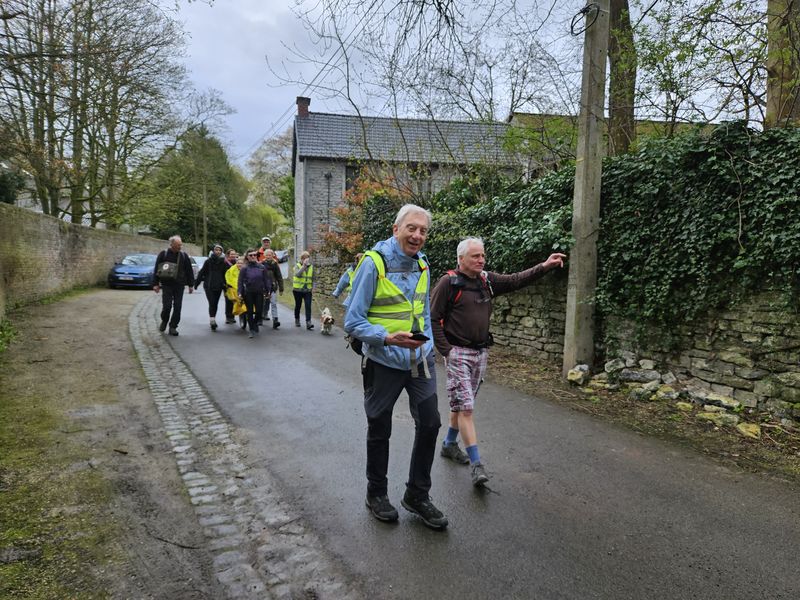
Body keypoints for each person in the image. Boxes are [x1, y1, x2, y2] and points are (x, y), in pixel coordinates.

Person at [430, 237, 567, 487]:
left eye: (482, 255)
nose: (481, 260)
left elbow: (515, 280)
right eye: (475, 256)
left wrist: (544, 266)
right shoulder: (448, 283)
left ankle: (449, 444)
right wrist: (447, 351)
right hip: (458, 353)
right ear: (461, 259)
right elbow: (433, 318)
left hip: (481, 352)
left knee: (462, 403)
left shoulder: (486, 280)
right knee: (467, 408)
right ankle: (477, 465)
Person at [344, 204, 447, 530]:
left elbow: (422, 314)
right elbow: (352, 321)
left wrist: (428, 346)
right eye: (411, 228)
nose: (417, 235)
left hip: (419, 360)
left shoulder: (422, 263)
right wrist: (388, 338)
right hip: (384, 359)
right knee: (380, 426)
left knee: (430, 423)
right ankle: (376, 494)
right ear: (396, 229)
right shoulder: (373, 264)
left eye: (423, 230)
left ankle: (417, 495)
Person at [153, 235, 194, 336]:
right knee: (167, 306)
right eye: (178, 245)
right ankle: (164, 320)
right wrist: (155, 284)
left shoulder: (184, 256)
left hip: (179, 285)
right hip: (166, 285)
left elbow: (189, 271)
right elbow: (156, 269)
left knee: (177, 307)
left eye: (181, 245)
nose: (180, 246)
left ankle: (173, 327)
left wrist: (191, 285)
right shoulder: (163, 254)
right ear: (172, 244)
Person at [237, 249, 272, 339]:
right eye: (251, 255)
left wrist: (268, 290)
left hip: (259, 292)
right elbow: (240, 281)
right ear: (247, 257)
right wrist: (240, 292)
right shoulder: (244, 268)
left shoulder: (261, 267)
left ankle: (255, 323)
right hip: (248, 292)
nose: (253, 256)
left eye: (254, 255)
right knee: (249, 311)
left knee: (259, 311)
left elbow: (266, 280)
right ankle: (251, 329)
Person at [194, 243, 229, 331]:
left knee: (215, 303)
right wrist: (196, 283)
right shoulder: (208, 261)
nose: (218, 251)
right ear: (213, 251)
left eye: (219, 250)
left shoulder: (223, 262)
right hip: (208, 285)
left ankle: (212, 319)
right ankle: (212, 320)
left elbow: (226, 274)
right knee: (212, 302)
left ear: (221, 252)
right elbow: (202, 272)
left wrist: (226, 285)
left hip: (219, 286)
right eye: (216, 250)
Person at [260, 249, 284, 329]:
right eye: (266, 255)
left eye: (269, 255)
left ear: (272, 255)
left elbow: (279, 276)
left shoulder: (275, 264)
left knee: (273, 303)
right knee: (264, 303)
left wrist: (281, 288)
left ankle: (275, 320)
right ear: (264, 256)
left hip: (272, 287)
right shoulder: (261, 264)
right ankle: (261, 317)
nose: (268, 256)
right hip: (263, 287)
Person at [292, 250, 314, 330]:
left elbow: (314, 278)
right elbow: (297, 274)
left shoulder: (311, 267)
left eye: (307, 258)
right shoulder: (297, 265)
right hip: (297, 290)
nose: (306, 260)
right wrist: (304, 266)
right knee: (298, 305)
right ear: (301, 259)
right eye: (304, 258)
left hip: (307, 290)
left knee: (308, 306)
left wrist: (313, 287)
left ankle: (308, 322)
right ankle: (297, 319)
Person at [223, 249, 238, 324]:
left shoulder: (237, 263)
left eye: (234, 254)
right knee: (228, 300)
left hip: (235, 284)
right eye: (231, 254)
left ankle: (232, 316)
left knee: (235, 300)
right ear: (228, 254)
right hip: (227, 285)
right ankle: (228, 317)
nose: (233, 255)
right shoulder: (225, 263)